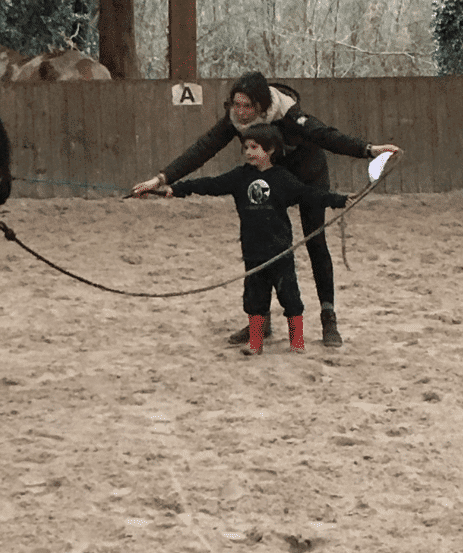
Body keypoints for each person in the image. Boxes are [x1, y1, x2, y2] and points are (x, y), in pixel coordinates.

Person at [132, 71, 401, 347]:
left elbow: (325, 135)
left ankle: (328, 318)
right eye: (236, 105)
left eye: (247, 106)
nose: (240, 112)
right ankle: (262, 320)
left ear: (261, 105)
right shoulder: (236, 119)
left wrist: (368, 150)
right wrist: (162, 178)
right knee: (262, 242)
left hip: (308, 174)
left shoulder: (288, 114)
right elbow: (203, 148)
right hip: (269, 173)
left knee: (316, 242)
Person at [167, 123, 348, 355]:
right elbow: (209, 184)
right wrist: (176, 189)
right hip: (253, 252)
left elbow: (310, 195)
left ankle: (297, 341)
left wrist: (340, 200)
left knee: (291, 298)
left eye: (255, 147)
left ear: (271, 150)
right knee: (255, 300)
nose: (249, 152)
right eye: (246, 147)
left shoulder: (283, 178)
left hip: (280, 252)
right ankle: (255, 343)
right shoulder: (239, 177)